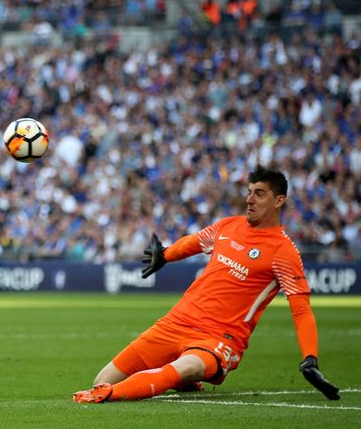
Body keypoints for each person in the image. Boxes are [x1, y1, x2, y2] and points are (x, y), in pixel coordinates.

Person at [73, 165, 340, 403]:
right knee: (103, 378)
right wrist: (165, 255)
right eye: (249, 192)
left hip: (219, 338)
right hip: (175, 323)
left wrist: (310, 358)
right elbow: (194, 242)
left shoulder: (284, 252)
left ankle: (107, 396)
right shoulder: (228, 226)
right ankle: (166, 384)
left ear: (279, 200)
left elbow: (301, 310)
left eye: (259, 194)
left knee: (180, 368)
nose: (249, 199)